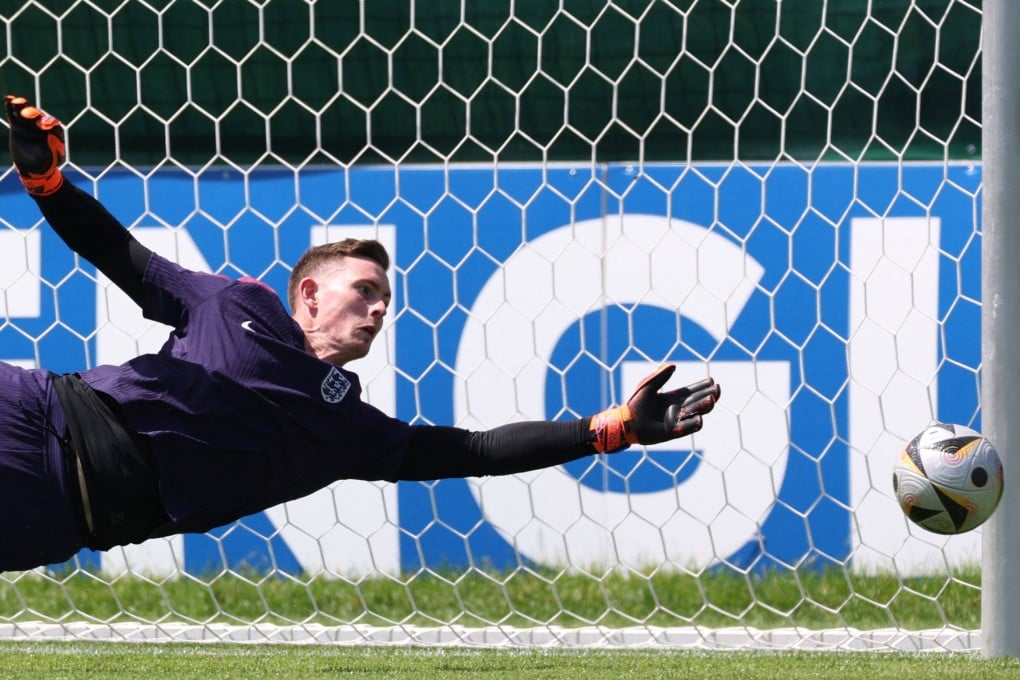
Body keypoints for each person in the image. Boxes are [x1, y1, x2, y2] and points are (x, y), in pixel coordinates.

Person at [0, 95, 722, 572]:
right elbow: (120, 256)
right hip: (36, 417)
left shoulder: (348, 431)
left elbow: (475, 451)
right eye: (366, 291)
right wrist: (48, 184)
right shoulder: (232, 306)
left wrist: (612, 428)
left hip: (58, 519)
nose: (380, 310)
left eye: (386, 299)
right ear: (308, 294)